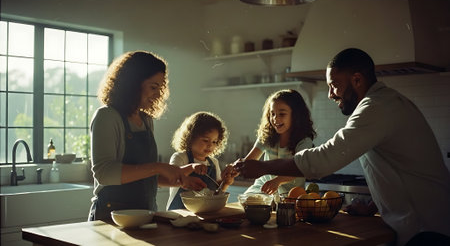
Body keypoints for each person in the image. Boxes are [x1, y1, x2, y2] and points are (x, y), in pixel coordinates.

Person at [234, 48, 450, 246]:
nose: (330, 94)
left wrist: (263, 167)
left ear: (357, 79)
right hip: (420, 225)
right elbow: (396, 169)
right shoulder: (384, 103)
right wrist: (373, 207)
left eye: (334, 85)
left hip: (427, 231)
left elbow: (323, 160)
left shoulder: (376, 107)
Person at [88, 50, 206, 221]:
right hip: (112, 216)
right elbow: (104, 173)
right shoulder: (107, 116)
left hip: (145, 213)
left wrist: (180, 179)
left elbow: (144, 176)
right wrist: (159, 167)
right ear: (133, 84)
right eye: (153, 87)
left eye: (160, 88)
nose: (158, 95)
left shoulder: (145, 120)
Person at [241, 89, 316, 196]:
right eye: (272, 114)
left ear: (296, 115)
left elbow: (298, 168)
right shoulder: (266, 136)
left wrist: (277, 181)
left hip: (291, 193)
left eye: (282, 114)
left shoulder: (304, 142)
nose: (275, 119)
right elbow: (250, 161)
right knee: (249, 203)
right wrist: (235, 168)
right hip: (263, 187)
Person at [167, 111, 239, 210]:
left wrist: (226, 182)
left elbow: (217, 193)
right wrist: (192, 167)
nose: (210, 145)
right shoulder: (180, 157)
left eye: (214, 142)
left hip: (206, 213)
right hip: (180, 214)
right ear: (190, 138)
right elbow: (172, 177)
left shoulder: (213, 163)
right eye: (205, 140)